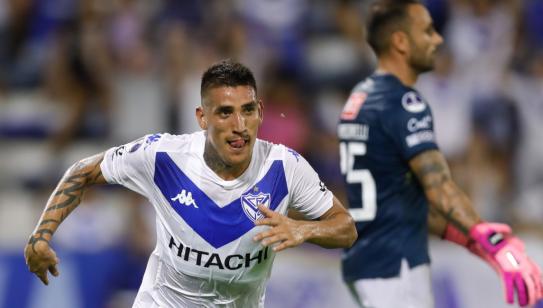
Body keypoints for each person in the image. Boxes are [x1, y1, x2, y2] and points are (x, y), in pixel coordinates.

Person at [24, 60, 357, 307]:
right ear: (202, 118)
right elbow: (83, 171)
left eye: (247, 111)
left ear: (260, 111)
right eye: (225, 112)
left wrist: (304, 230)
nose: (239, 125)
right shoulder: (164, 156)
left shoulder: (285, 167)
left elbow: (346, 227)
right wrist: (41, 236)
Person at [337, 1, 543, 307]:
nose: (437, 41)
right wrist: (494, 245)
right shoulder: (407, 104)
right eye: (427, 32)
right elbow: (439, 191)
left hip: (367, 257)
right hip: (397, 264)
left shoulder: (362, 99)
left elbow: (410, 201)